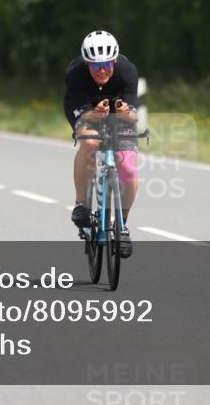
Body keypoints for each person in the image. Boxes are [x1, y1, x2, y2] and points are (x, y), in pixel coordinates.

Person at [63, 30, 139, 258]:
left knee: (128, 169)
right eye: (95, 66)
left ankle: (122, 226)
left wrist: (125, 113)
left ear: (114, 61)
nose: (102, 70)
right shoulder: (74, 74)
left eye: (106, 64)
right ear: (87, 65)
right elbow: (86, 117)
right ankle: (81, 206)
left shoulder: (128, 71)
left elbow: (134, 117)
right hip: (86, 112)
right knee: (90, 143)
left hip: (119, 116)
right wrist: (95, 113)